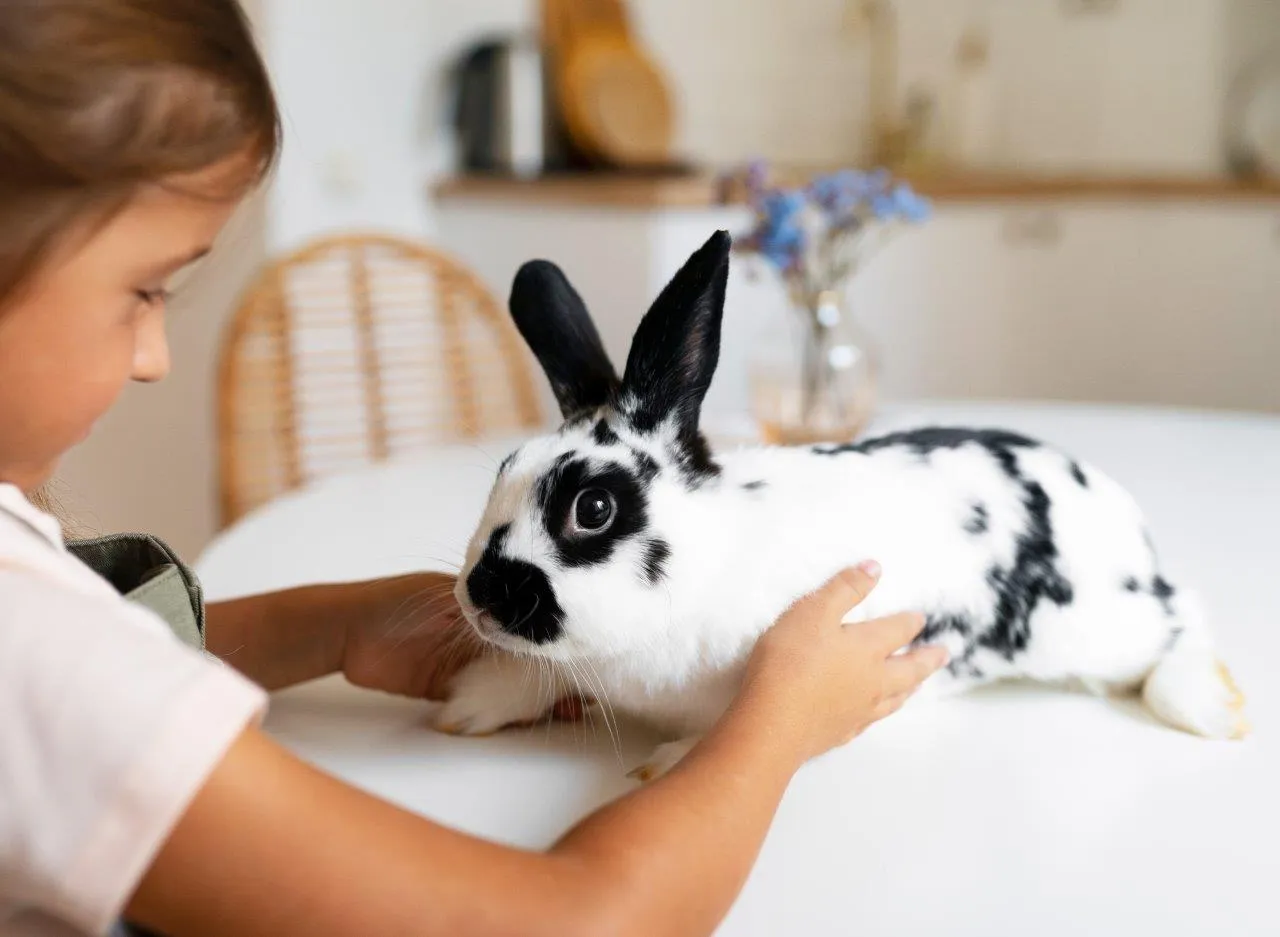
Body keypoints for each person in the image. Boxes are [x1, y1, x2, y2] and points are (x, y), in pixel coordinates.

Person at [0, 2, 950, 935]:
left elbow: (110, 650)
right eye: (145, 290)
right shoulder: (28, 651)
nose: (153, 355)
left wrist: (332, 627)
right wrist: (779, 719)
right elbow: (577, 922)